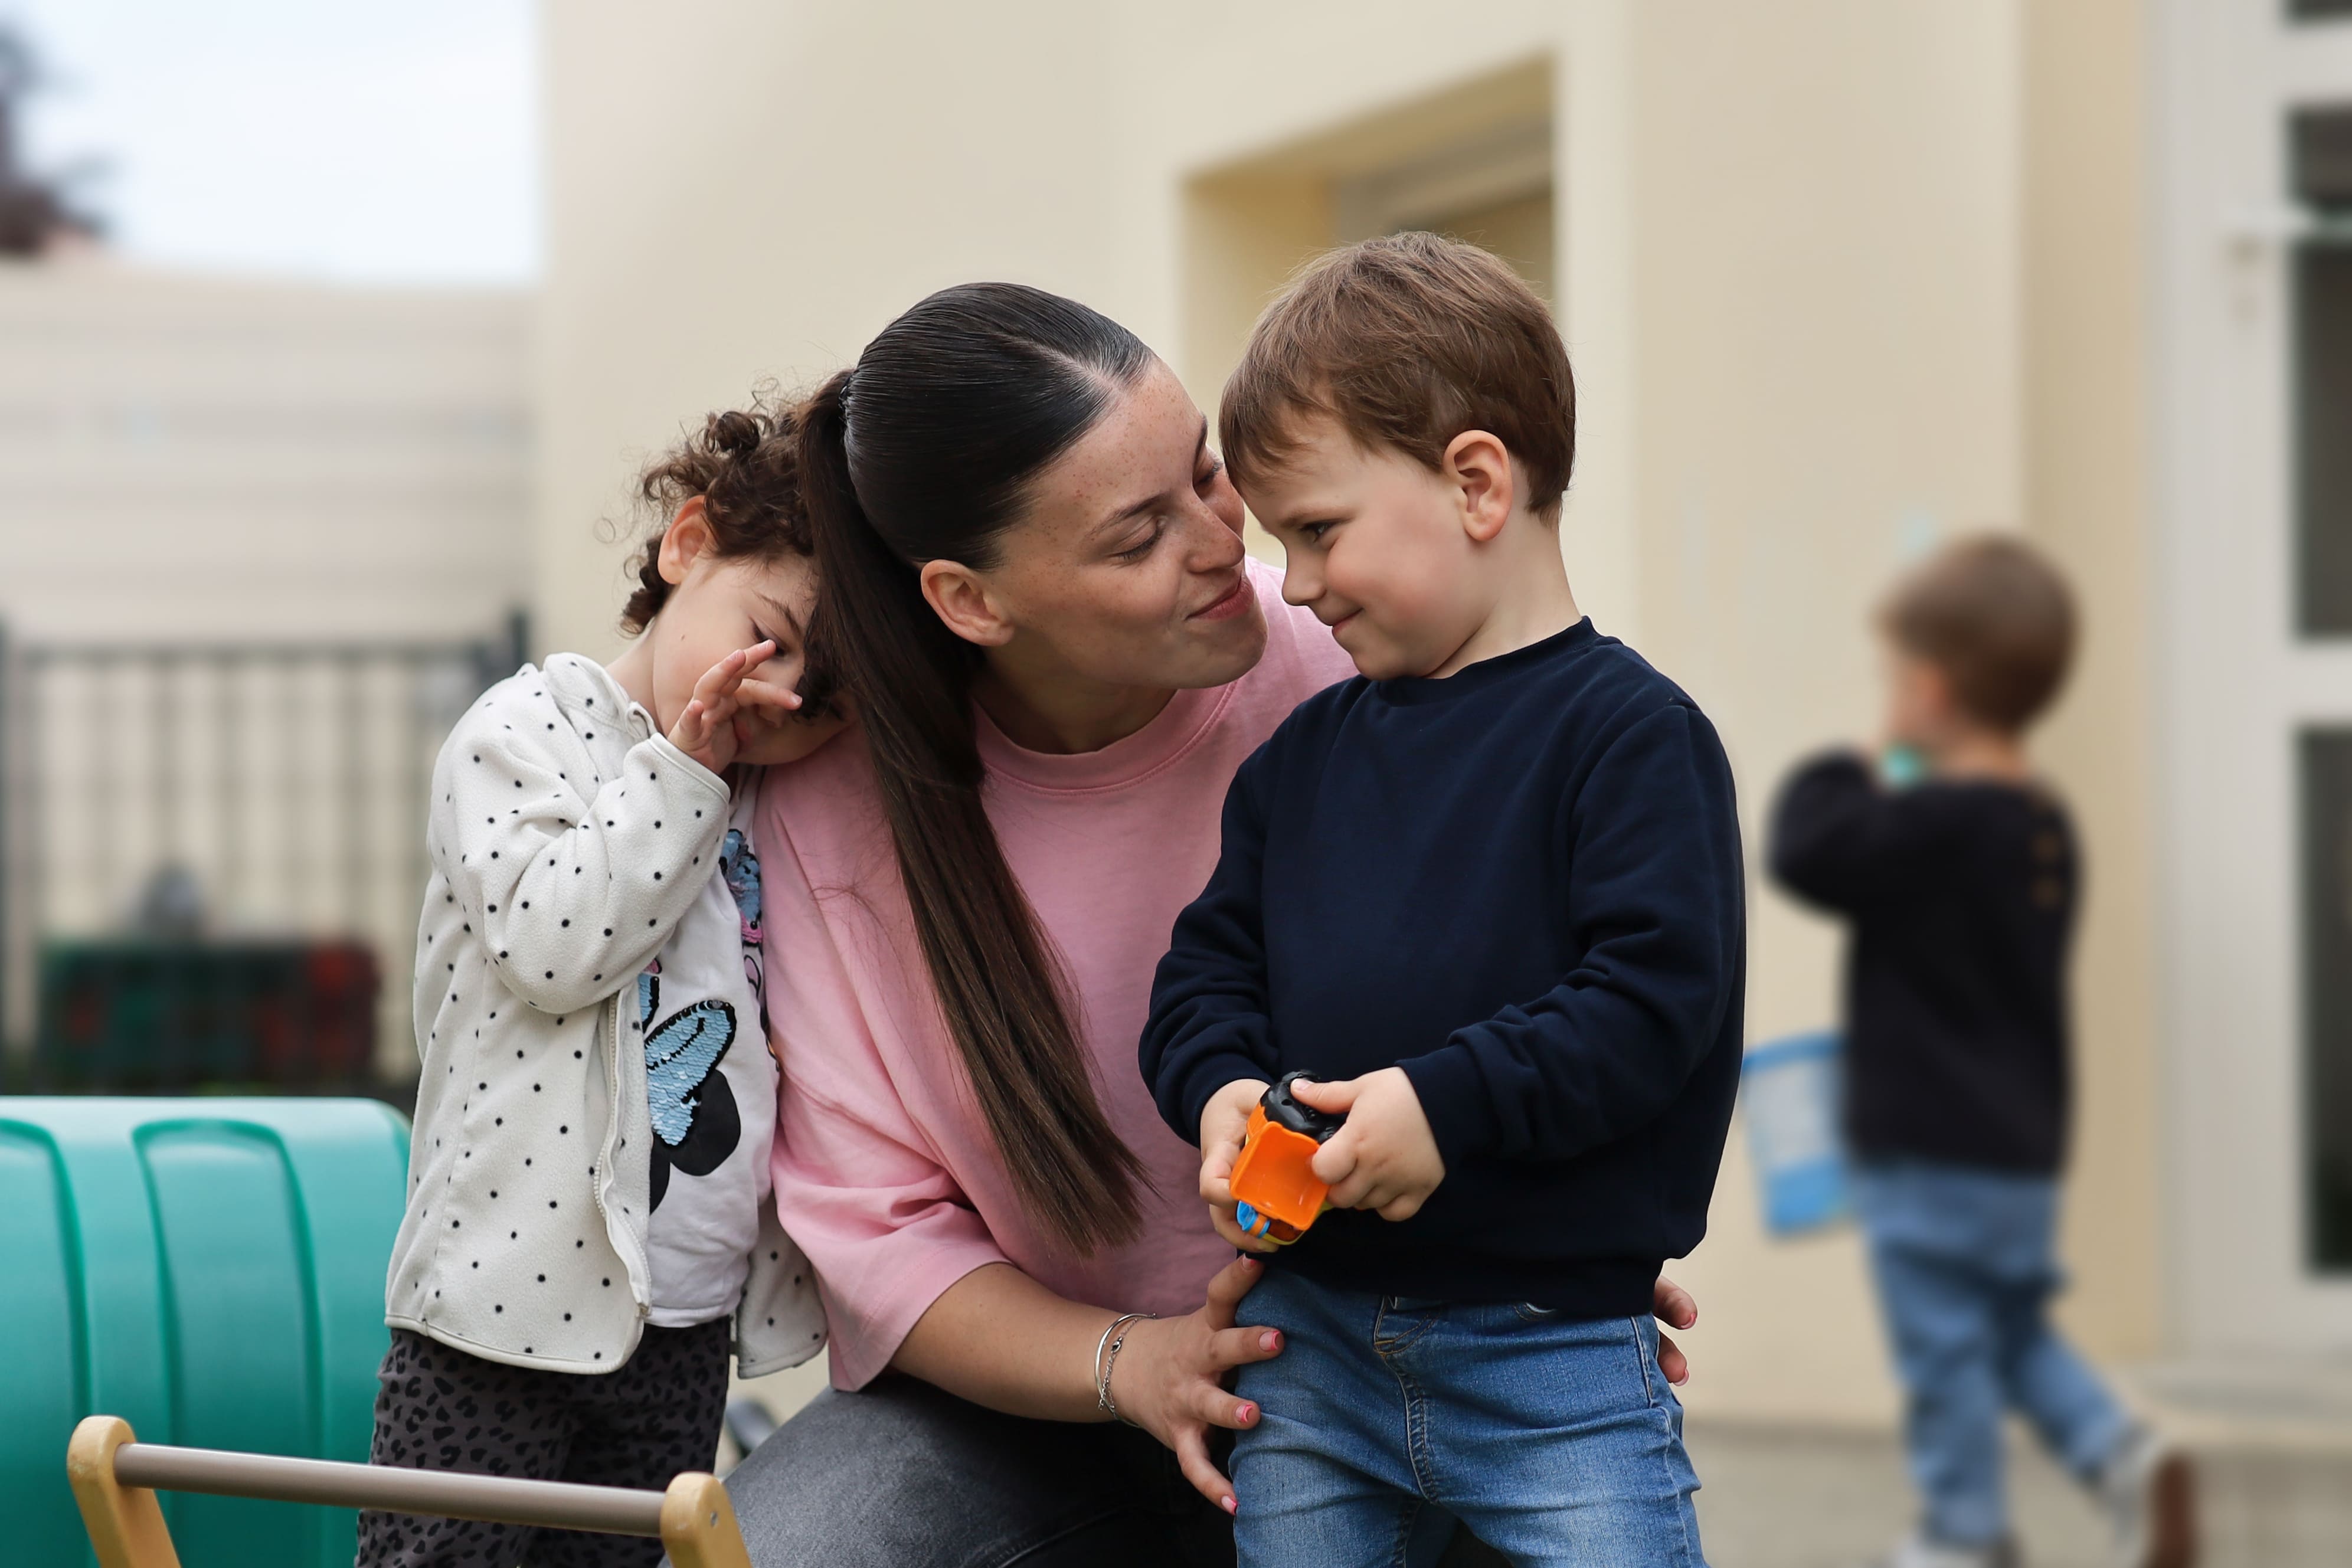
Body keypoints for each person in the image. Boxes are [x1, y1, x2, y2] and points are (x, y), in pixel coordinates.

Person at [719, 280, 1702, 1568]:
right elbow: (881, 1237)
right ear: (971, 601)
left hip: (1372, 1340)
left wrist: (1552, 1251)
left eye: (1206, 476)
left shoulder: (1368, 664)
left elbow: (1607, 989)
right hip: (1035, 1402)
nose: (1235, 556)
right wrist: (1130, 1364)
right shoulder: (829, 808)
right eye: (1136, 537)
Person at [1137, 234, 1743, 1567]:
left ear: (1476, 483)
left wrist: (1444, 1108)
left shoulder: (1631, 737)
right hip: (1308, 1355)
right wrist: (1221, 1090)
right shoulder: (1300, 762)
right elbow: (1202, 981)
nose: (1292, 585)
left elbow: (1653, 1004)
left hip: (1558, 1370)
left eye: (1317, 530)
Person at [362, 404, 850, 1568]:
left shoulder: (767, 793)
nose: (781, 697)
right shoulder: (523, 732)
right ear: (687, 545)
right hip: (498, 1304)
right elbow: (557, 942)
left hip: (679, 1313)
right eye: (767, 638)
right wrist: (684, 769)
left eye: (826, 700)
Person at [1768, 536, 2193, 1568]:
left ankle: (1963, 1535)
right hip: (2017, 1155)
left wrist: (1860, 757)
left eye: (1890, 682)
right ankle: (2120, 1449)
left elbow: (1805, 843)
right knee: (2006, 1332)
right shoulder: (2039, 825)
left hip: (1928, 1151)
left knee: (1943, 1352)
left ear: (1928, 689)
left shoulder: (1933, 827)